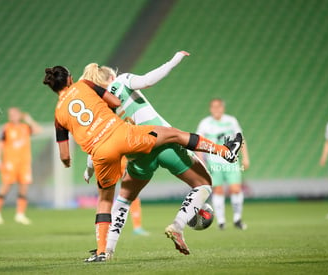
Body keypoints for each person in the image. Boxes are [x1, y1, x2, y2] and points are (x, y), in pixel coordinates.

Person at [43, 65, 242, 262]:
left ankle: (105, 250)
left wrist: (82, 167)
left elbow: (65, 154)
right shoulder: (93, 85)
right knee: (182, 147)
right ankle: (224, 154)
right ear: (70, 78)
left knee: (116, 200)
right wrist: (175, 59)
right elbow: (144, 82)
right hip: (139, 140)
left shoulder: (59, 114)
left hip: (116, 155)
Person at [80, 51, 218, 258]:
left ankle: (106, 249)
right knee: (203, 183)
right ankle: (178, 226)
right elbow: (148, 80)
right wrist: (174, 60)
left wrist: (89, 168)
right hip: (162, 141)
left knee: (124, 200)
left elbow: (98, 144)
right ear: (110, 77)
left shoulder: (100, 108)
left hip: (137, 155)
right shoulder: (121, 81)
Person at [196, 98, 250, 230]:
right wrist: (201, 161)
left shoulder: (231, 121)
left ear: (222, 108)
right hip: (213, 162)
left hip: (231, 161)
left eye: (218, 106)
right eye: (213, 107)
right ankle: (221, 221)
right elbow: (198, 143)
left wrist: (246, 157)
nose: (216, 109)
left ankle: (237, 219)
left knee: (235, 189)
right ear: (210, 109)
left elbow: (240, 138)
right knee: (218, 190)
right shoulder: (205, 123)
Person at [0, 107, 42, 225]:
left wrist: (29, 120)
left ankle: (20, 214)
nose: (12, 116)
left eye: (14, 114)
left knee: (24, 188)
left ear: (20, 115)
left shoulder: (25, 128)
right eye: (10, 114)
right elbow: (0, 145)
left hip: (24, 164)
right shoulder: (6, 128)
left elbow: (39, 130)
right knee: (6, 186)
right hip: (10, 163)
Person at [85, 155, 150, 236]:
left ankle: (101, 228)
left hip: (106, 161)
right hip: (120, 160)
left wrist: (88, 170)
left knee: (104, 198)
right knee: (131, 194)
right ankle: (137, 227)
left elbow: (93, 149)